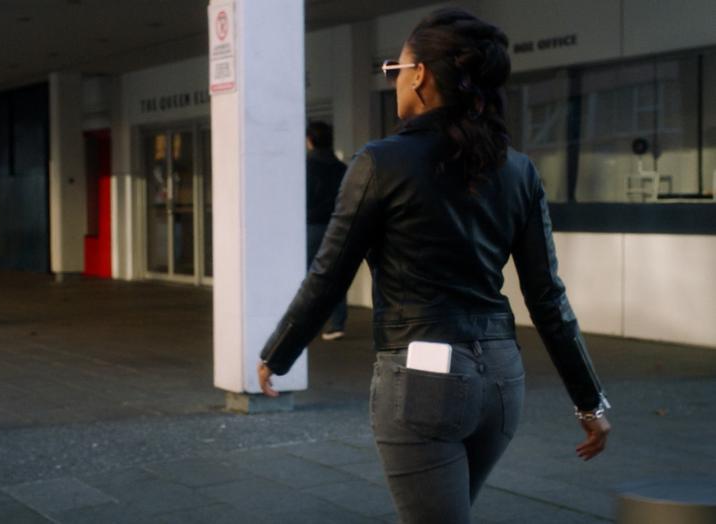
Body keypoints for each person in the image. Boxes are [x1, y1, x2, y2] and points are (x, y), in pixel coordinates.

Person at [257, 8, 611, 523]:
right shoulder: (518, 169)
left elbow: (329, 275)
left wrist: (277, 353)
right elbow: (547, 297)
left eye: (394, 69)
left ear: (420, 74)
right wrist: (590, 402)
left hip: (424, 379)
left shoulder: (379, 163)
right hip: (502, 381)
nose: (394, 79)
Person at [305, 121, 348, 340]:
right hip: (337, 226)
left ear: (310, 140)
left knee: (310, 277)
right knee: (335, 275)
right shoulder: (341, 167)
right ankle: (338, 323)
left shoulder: (306, 166)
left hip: (311, 226)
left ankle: (307, 323)